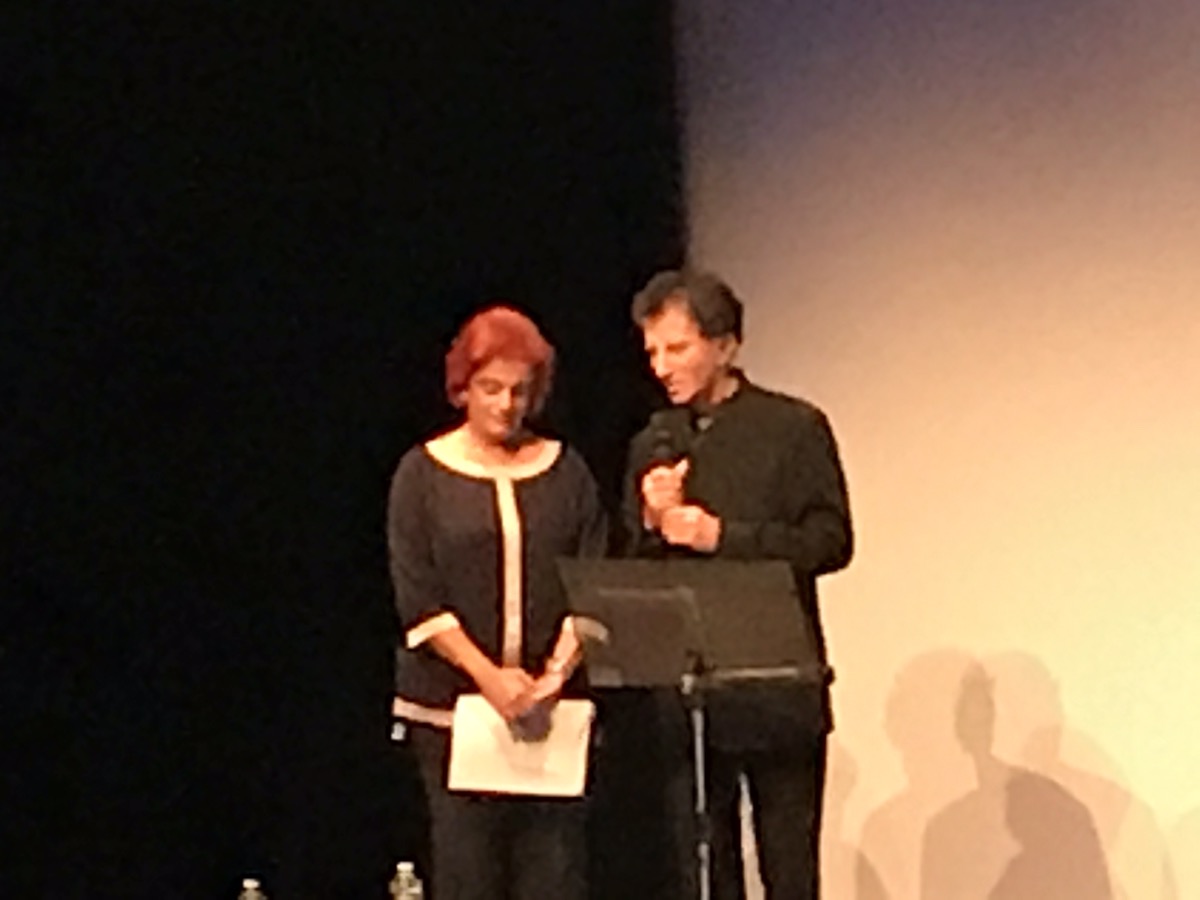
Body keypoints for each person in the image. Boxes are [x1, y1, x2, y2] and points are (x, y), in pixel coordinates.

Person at [622, 269, 853, 900]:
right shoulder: (655, 441)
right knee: (706, 871)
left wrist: (722, 536)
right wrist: (651, 519)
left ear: (725, 345)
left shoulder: (793, 427)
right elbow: (635, 568)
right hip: (692, 691)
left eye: (677, 348)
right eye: (652, 351)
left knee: (789, 871)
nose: (661, 367)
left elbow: (830, 540)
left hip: (777, 684)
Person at [387, 305, 608, 900]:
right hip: (453, 714)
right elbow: (419, 598)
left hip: (550, 712)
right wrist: (490, 679)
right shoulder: (421, 475)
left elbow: (591, 585)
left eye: (519, 391)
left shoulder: (567, 471)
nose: (506, 405)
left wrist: (552, 679)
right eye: (491, 389)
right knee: (469, 876)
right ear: (464, 388)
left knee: (554, 877)